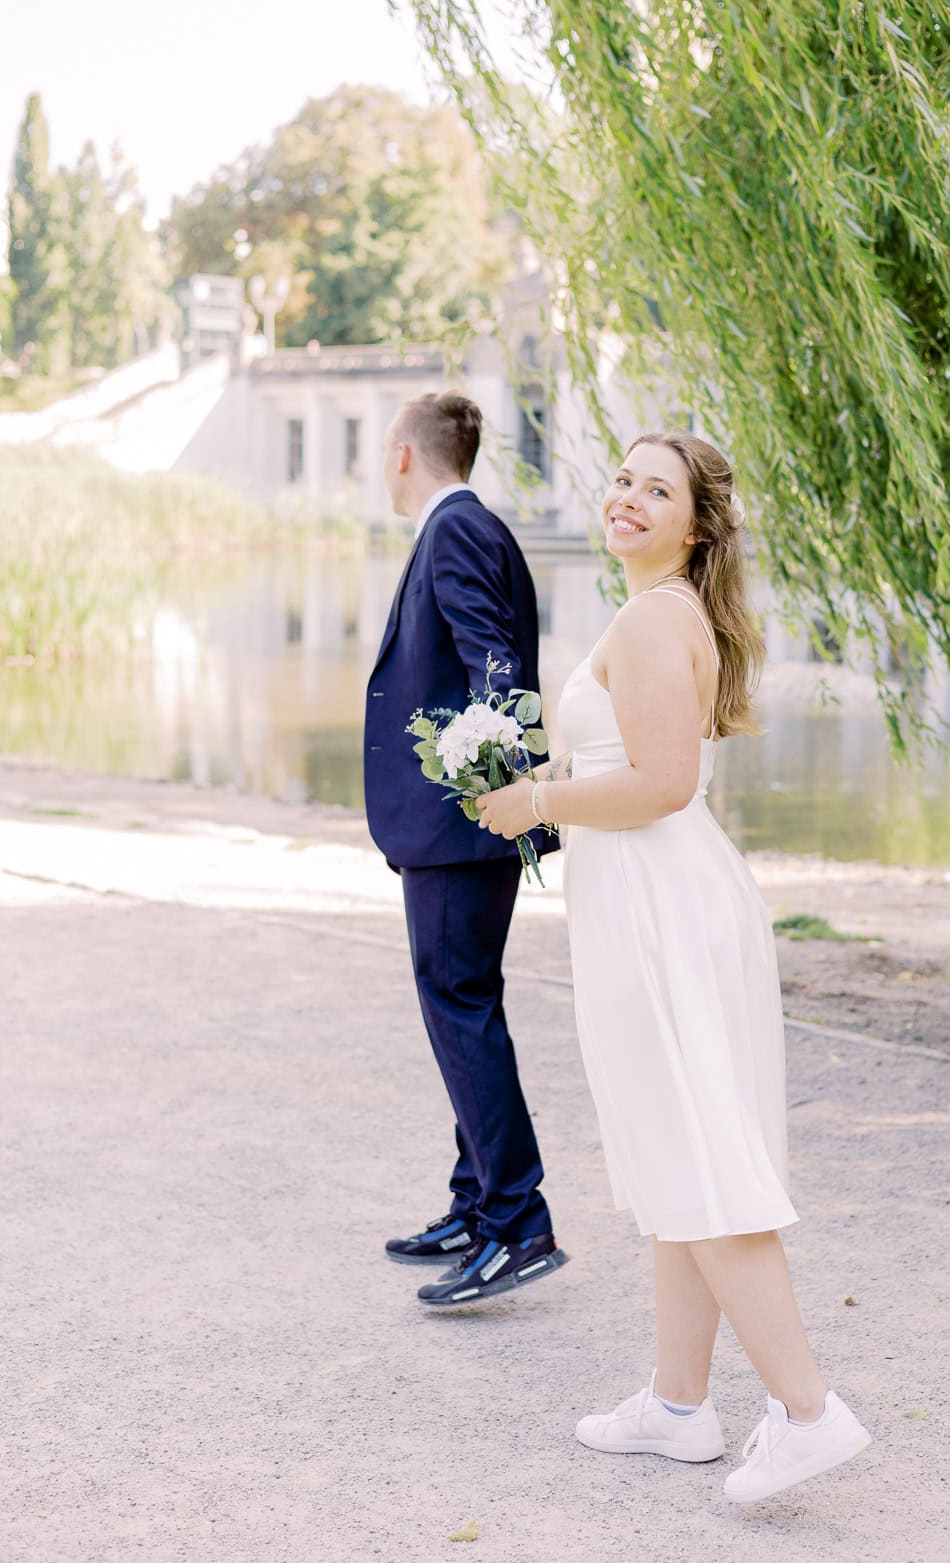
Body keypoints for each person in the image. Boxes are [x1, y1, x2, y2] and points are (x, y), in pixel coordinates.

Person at [476, 431, 872, 1501]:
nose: (630, 499)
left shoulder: (656, 619)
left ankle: (809, 1412)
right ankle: (679, 1404)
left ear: (695, 527)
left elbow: (660, 783)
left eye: (660, 490)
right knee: (671, 1155)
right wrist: (532, 774)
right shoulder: (654, 614)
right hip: (653, 903)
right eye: (623, 480)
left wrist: (540, 803)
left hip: (663, 912)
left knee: (700, 1160)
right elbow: (623, 764)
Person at [364, 391, 566, 1308]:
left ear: (405, 455)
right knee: (465, 1005)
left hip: (463, 826)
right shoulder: (473, 526)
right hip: (467, 824)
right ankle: (476, 1204)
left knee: (461, 1007)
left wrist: (488, 788)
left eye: (382, 451)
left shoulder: (456, 532)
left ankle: (518, 1222)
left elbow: (494, 663)